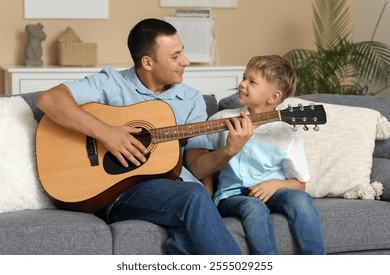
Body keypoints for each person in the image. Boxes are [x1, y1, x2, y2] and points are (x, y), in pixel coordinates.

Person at [36, 18, 253, 255]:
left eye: (183, 53)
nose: (186, 61)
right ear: (148, 62)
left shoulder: (191, 100)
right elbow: (50, 99)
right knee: (193, 196)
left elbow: (197, 168)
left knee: (191, 209)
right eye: (175, 56)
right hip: (118, 191)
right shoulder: (112, 83)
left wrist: (229, 150)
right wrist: (107, 133)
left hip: (177, 190)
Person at [208, 55, 326, 255]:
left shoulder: (286, 133)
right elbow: (202, 161)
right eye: (244, 77)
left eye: (251, 81)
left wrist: (276, 184)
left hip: (274, 193)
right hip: (232, 195)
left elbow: (301, 183)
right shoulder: (221, 120)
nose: (242, 84)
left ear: (273, 97)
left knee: (300, 200)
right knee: (254, 207)